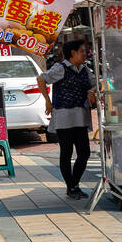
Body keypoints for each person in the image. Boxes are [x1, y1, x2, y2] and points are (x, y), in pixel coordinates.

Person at [37, 38, 98, 200]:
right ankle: (71, 187)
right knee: (67, 152)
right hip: (64, 117)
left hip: (81, 116)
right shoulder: (60, 68)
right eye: (82, 51)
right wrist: (48, 101)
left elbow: (96, 84)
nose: (85, 54)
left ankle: (74, 185)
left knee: (84, 153)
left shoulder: (85, 69)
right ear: (73, 53)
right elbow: (41, 79)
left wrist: (91, 91)